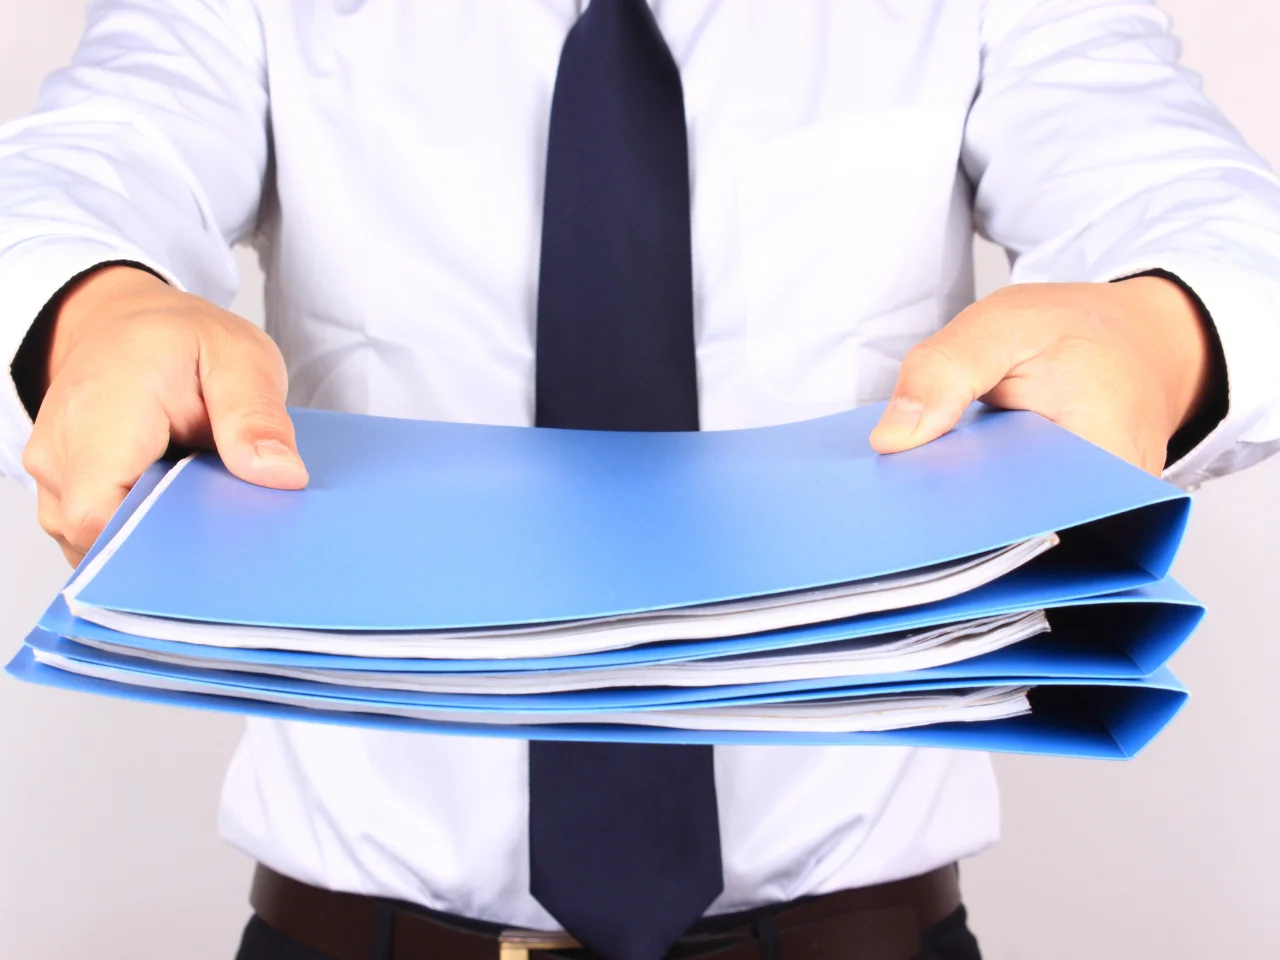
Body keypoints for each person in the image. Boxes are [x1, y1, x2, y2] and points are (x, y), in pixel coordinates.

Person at [2, 1, 1279, 958]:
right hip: (350, 933)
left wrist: (1162, 329)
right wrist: (92, 306)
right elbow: (88, 155)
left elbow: (1189, 198)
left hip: (862, 934)